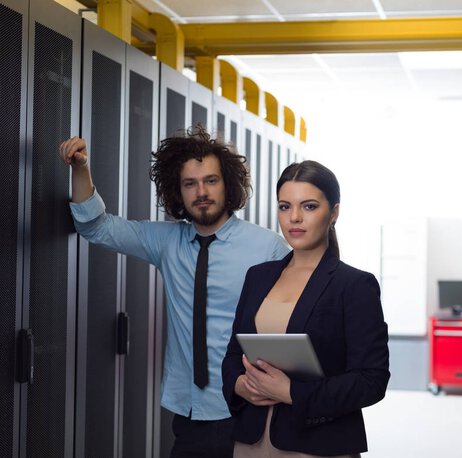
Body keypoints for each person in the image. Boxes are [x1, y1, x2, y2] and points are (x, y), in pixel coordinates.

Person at [59, 125, 290, 458]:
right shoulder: (167, 242)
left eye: (211, 180)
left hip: (250, 408)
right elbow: (95, 227)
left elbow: (302, 317)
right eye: (190, 184)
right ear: (177, 192)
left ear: (228, 184)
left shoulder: (267, 248)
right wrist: (81, 168)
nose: (202, 192)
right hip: (191, 413)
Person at [222, 160, 390, 457]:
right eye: (285, 207)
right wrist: (239, 384)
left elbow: (371, 380)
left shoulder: (354, 285)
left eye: (309, 206)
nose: (295, 217)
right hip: (252, 441)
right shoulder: (258, 276)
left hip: (317, 444)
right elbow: (234, 354)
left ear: (334, 212)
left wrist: (290, 392)